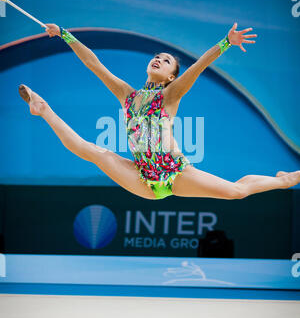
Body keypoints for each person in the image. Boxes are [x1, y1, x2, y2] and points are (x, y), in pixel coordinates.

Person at [18, 23, 300, 200]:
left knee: (236, 192)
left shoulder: (169, 95)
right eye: (157, 57)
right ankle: (43, 109)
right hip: (141, 176)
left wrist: (225, 43)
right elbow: (94, 64)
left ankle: (284, 179)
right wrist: (65, 35)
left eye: (166, 61)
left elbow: (197, 67)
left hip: (176, 174)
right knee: (94, 152)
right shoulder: (127, 94)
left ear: (170, 77)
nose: (158, 59)